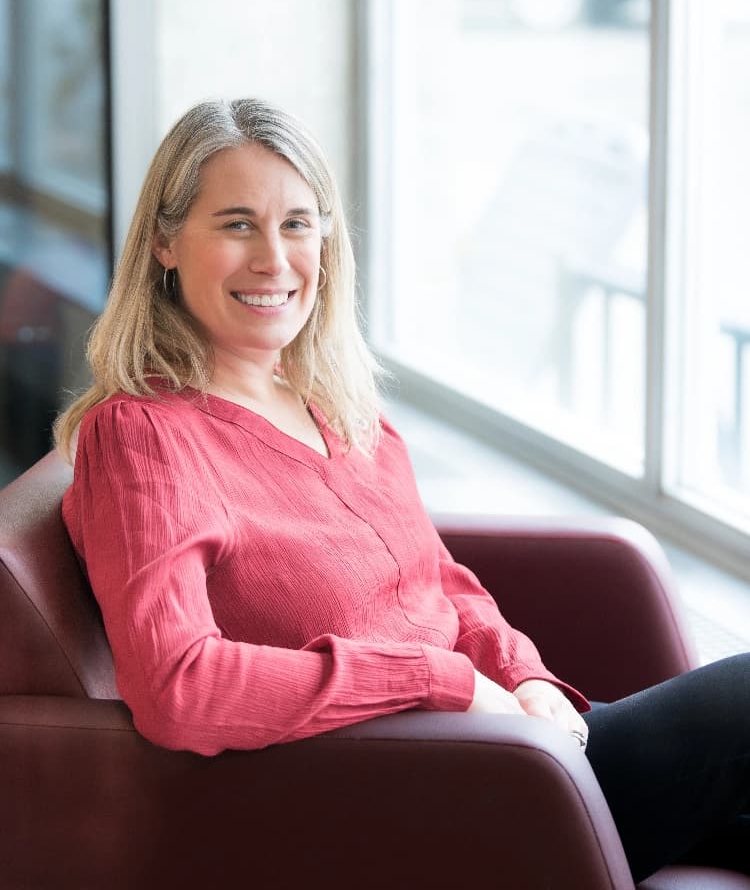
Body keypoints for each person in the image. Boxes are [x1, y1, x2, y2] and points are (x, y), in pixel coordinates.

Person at [55, 98, 749, 882]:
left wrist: (523, 675)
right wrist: (439, 680)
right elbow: (180, 686)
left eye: (297, 224)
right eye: (237, 224)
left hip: (509, 757)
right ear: (165, 242)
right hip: (411, 797)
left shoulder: (328, 399)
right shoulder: (144, 437)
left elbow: (441, 582)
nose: (275, 260)